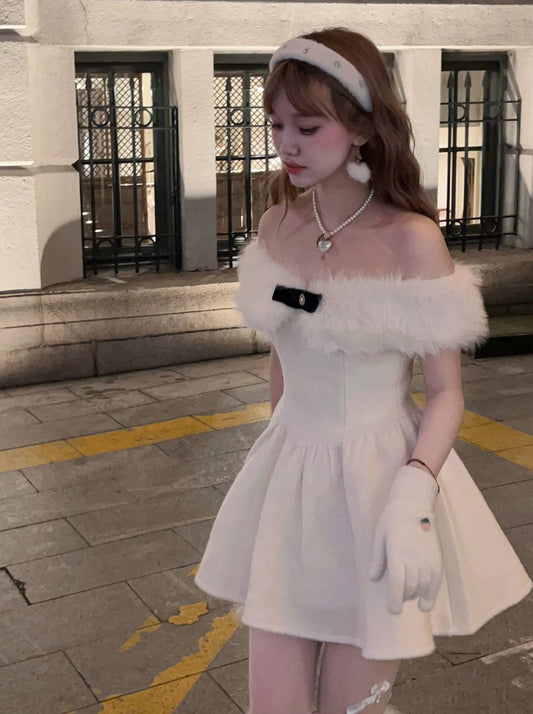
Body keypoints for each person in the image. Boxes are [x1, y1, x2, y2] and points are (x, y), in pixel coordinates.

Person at [194, 27, 532, 714]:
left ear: (361, 128)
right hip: (289, 477)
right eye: (276, 125)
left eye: (307, 126)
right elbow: (285, 343)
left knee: (356, 707)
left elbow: (446, 393)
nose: (286, 144)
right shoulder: (276, 225)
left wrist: (413, 497)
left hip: (379, 487)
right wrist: (279, 444)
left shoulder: (412, 240)